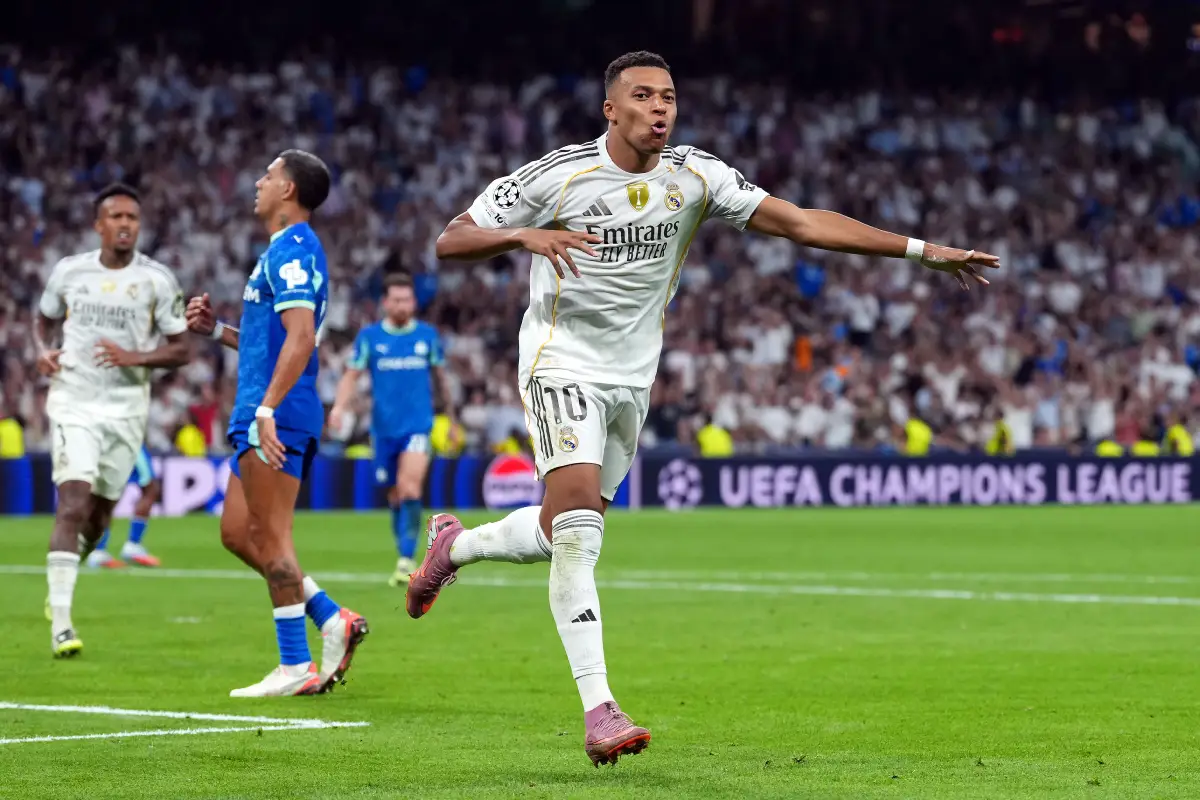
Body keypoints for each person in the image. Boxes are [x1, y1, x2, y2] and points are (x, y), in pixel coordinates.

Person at [408, 50, 1001, 765]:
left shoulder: (696, 176)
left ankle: (456, 545)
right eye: (643, 96)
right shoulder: (557, 174)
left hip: (633, 378)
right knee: (576, 534)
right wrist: (520, 235)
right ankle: (599, 709)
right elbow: (451, 239)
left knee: (559, 529)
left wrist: (920, 251)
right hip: (560, 362)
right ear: (611, 109)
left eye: (669, 97)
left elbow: (803, 223)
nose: (660, 108)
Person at [184, 150, 369, 697]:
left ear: (288, 189)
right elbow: (270, 342)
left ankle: (295, 666)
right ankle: (331, 616)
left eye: (267, 176)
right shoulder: (280, 252)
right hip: (262, 407)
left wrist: (265, 410)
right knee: (238, 534)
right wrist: (217, 331)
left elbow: (302, 338)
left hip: (276, 413)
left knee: (272, 534)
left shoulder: (293, 248)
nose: (258, 183)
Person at [34, 183, 192, 657]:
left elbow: (181, 348)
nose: (125, 224)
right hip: (74, 400)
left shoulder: (157, 280)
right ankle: (61, 621)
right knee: (73, 502)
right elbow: (42, 319)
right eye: (116, 216)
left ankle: (62, 579)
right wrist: (43, 352)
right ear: (98, 224)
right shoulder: (69, 272)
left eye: (132, 218)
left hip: (126, 409)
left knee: (99, 520)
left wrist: (134, 356)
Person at [329, 272, 455, 586]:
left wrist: (451, 419)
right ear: (385, 303)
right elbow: (351, 375)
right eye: (396, 300)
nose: (402, 305)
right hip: (383, 430)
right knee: (395, 495)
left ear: (414, 302)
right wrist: (339, 407)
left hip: (418, 427)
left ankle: (406, 560)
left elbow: (441, 379)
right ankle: (404, 551)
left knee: (410, 488)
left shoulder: (426, 336)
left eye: (407, 300)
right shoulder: (370, 337)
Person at [85, 444, 163, 568]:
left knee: (110, 494)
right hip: (128, 442)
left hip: (109, 444)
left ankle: (98, 550)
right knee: (150, 488)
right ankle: (133, 544)